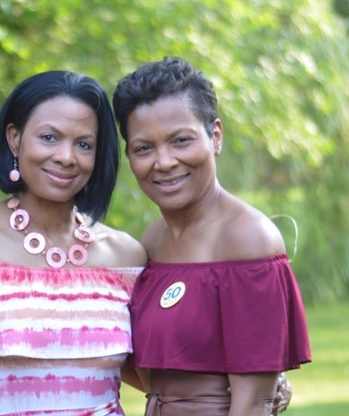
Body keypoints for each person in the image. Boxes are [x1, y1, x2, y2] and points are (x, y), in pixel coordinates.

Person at [0, 70, 148, 415]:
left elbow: (159, 377)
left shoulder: (126, 257)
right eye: (49, 137)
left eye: (84, 144)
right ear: (14, 139)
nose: (66, 157)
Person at [112, 56, 311, 416]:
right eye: (144, 148)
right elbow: (163, 371)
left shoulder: (248, 239)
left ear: (215, 136)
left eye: (181, 140)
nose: (164, 161)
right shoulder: (153, 240)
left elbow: (253, 403)